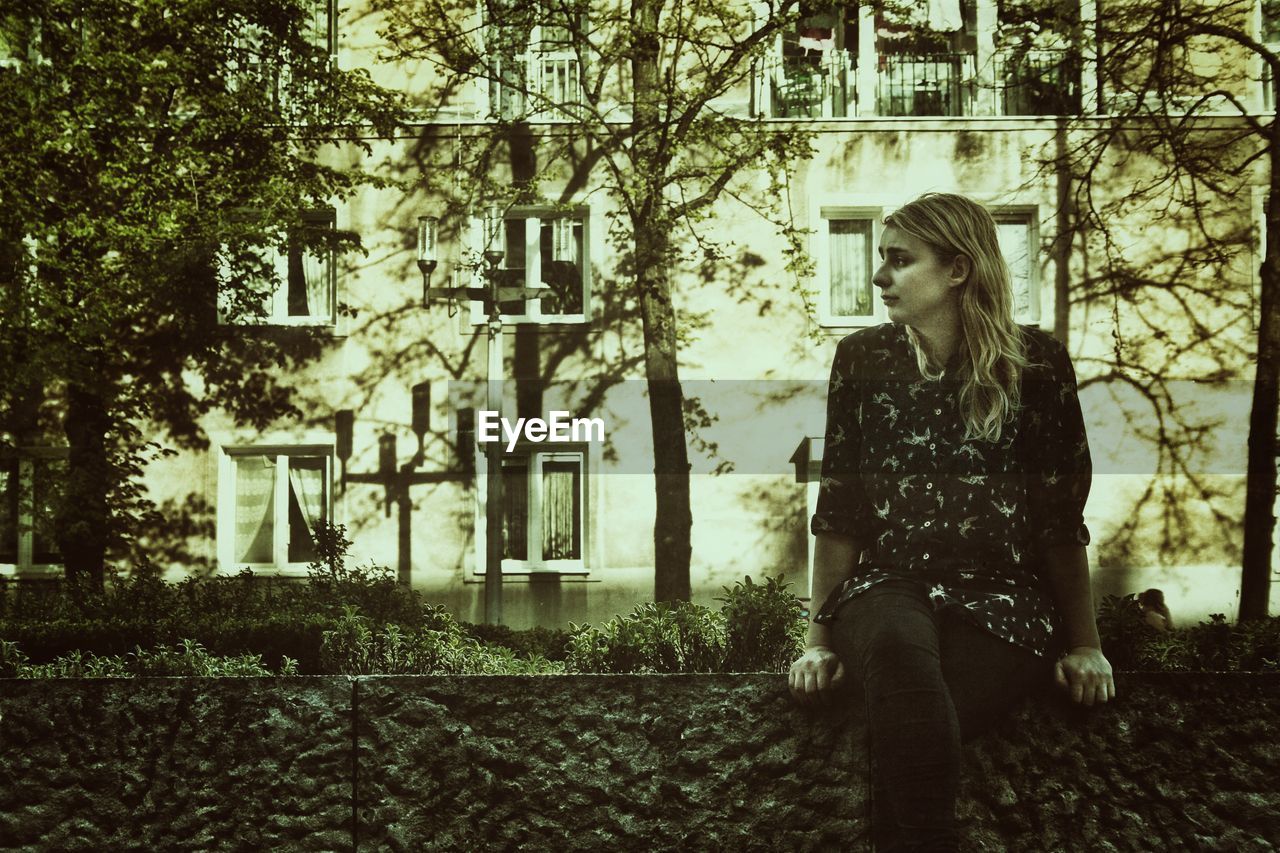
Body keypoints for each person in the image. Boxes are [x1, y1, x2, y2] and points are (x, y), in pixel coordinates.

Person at [788, 192, 1115, 852]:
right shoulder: (861, 360)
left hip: (1005, 600)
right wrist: (818, 639)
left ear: (959, 269)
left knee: (912, 726)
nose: (880, 276)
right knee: (901, 658)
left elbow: (1059, 518)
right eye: (881, 259)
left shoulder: (1038, 364)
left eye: (900, 260)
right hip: (886, 587)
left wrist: (1085, 642)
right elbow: (841, 510)